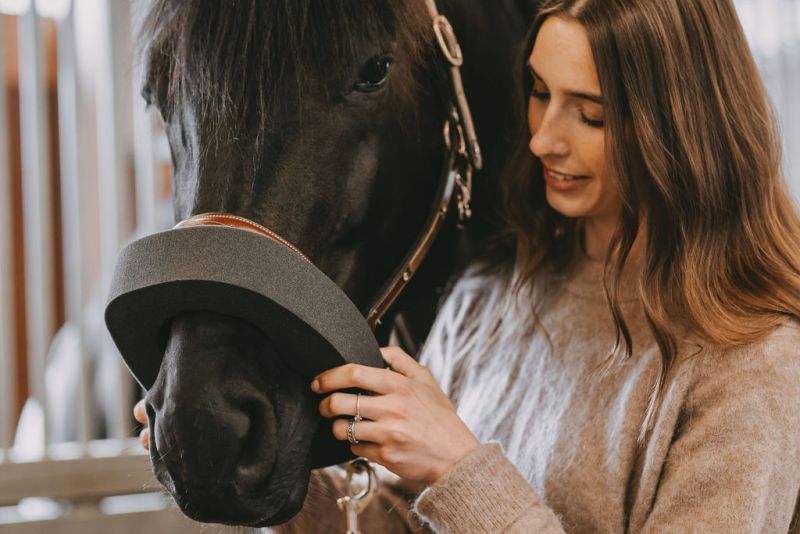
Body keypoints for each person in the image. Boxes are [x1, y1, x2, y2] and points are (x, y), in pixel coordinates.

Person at [135, 0, 800, 531]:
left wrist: (459, 470)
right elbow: (402, 521)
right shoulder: (489, 297)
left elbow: (455, 491)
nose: (542, 137)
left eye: (589, 114)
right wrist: (272, 468)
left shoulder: (753, 365)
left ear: (680, 127)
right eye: (539, 93)